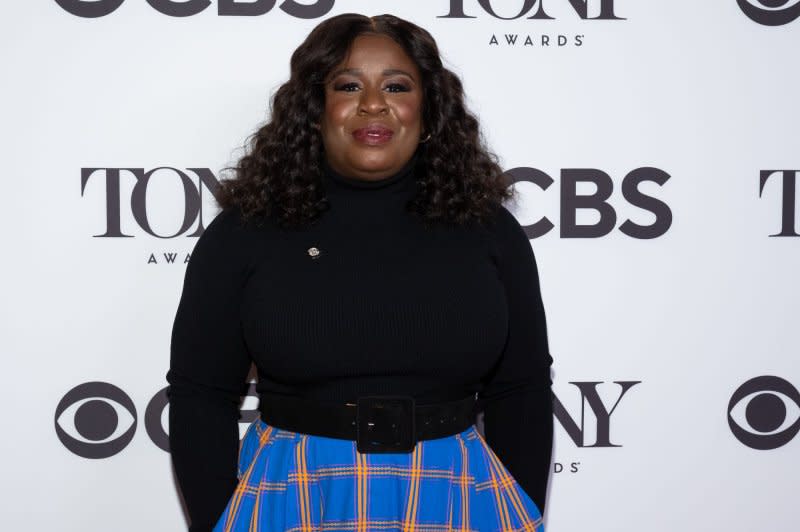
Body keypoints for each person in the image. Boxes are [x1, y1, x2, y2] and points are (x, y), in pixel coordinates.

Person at [167, 13, 553, 532]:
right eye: (348, 85)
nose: (374, 103)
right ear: (315, 109)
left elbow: (521, 391)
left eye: (397, 85)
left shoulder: (489, 231)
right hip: (294, 496)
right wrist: (221, 523)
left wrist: (521, 514)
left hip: (461, 496)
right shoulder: (245, 233)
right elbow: (201, 395)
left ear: (429, 109)